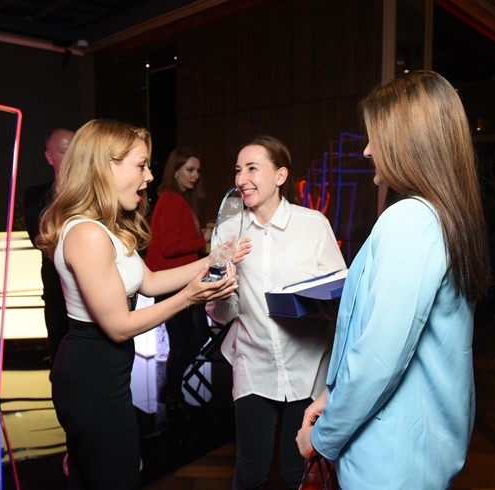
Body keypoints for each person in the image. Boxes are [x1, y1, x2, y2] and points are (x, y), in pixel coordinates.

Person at [295, 70, 491, 489]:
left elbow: (379, 360)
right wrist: (331, 396)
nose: (367, 150)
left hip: (388, 462)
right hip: (418, 452)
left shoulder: (410, 221)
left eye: (375, 138)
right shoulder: (444, 216)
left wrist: (322, 437)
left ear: (408, 143)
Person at [36, 119, 246, 489]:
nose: (149, 176)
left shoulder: (105, 226)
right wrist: (189, 297)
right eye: (141, 165)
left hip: (107, 371)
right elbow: (118, 326)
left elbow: (148, 281)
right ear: (106, 166)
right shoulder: (87, 233)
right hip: (92, 375)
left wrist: (214, 258)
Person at [206, 135, 347, 489]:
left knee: (297, 469)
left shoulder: (313, 224)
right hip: (253, 366)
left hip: (308, 367)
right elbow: (221, 315)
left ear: (281, 175)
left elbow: (341, 297)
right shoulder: (228, 231)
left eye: (252, 168)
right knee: (250, 471)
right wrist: (222, 281)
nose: (242, 179)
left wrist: (314, 304)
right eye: (238, 170)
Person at [145, 146, 213, 421]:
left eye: (198, 170)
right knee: (185, 343)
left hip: (182, 282)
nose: (195, 175)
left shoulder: (177, 199)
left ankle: (171, 388)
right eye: (189, 169)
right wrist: (202, 240)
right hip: (173, 284)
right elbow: (170, 246)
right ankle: (172, 395)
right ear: (175, 171)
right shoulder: (172, 200)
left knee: (196, 337)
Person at [23, 127, 75, 361]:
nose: (72, 156)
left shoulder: (94, 192)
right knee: (60, 350)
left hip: (94, 287)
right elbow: (39, 239)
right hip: (57, 285)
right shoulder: (37, 195)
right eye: (65, 151)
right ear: (49, 156)